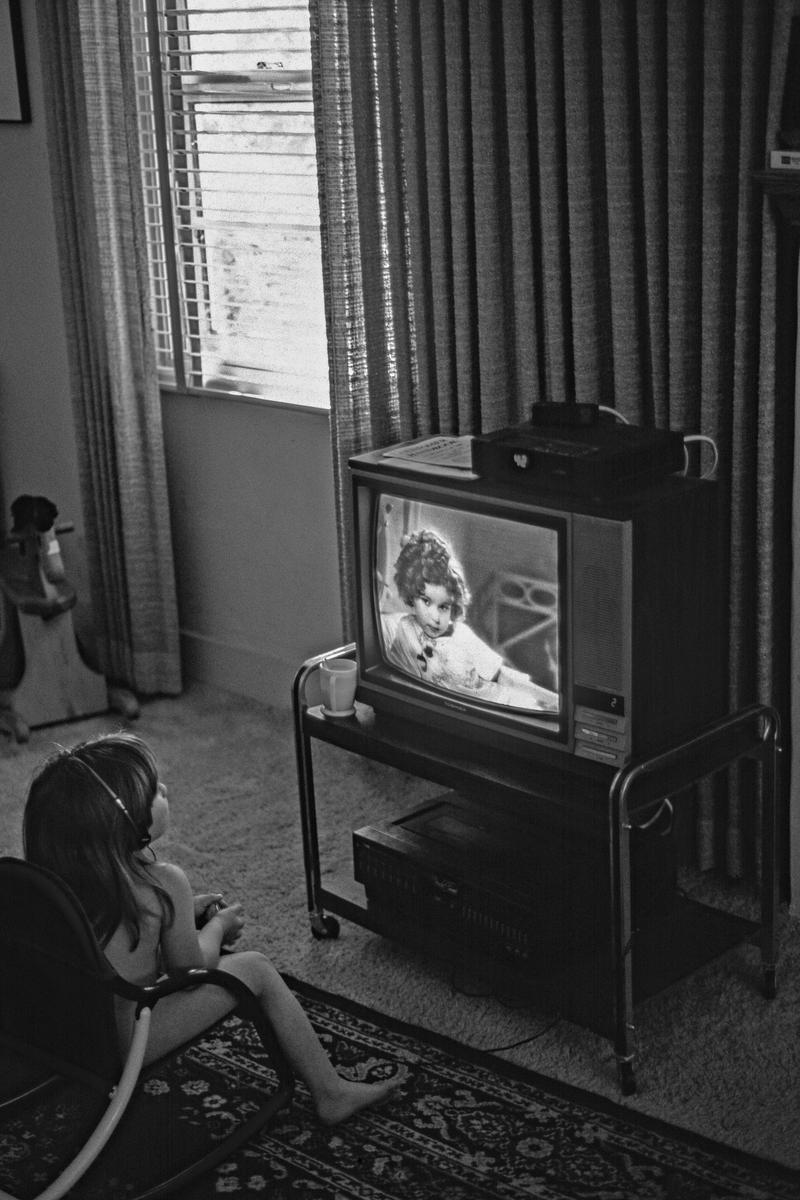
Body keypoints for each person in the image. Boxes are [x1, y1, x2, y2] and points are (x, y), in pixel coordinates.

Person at [22, 732, 404, 1126]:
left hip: (65, 1034)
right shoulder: (164, 884)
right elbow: (190, 972)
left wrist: (181, 916)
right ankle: (331, 1092)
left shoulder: (50, 888)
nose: (165, 789)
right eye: (153, 791)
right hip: (126, 1042)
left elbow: (118, 946)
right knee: (254, 968)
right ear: (129, 821)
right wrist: (218, 927)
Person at [385, 530, 558, 711]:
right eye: (426, 601)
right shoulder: (404, 628)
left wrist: (555, 701)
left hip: (504, 705)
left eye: (444, 607)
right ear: (411, 595)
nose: (435, 617)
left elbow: (505, 678)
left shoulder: (462, 636)